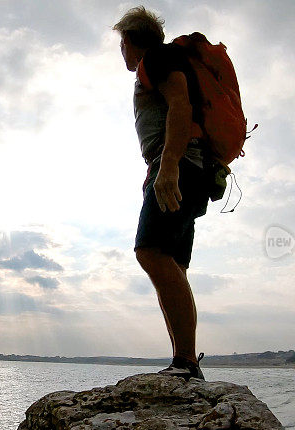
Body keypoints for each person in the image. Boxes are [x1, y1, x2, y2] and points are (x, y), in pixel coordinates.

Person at [114, 6, 209, 380]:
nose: (121, 52)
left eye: (121, 44)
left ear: (130, 41)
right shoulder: (163, 61)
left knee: (150, 252)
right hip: (194, 168)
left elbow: (180, 103)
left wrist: (168, 165)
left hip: (180, 166)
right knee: (173, 266)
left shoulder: (155, 60)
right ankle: (184, 362)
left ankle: (186, 361)